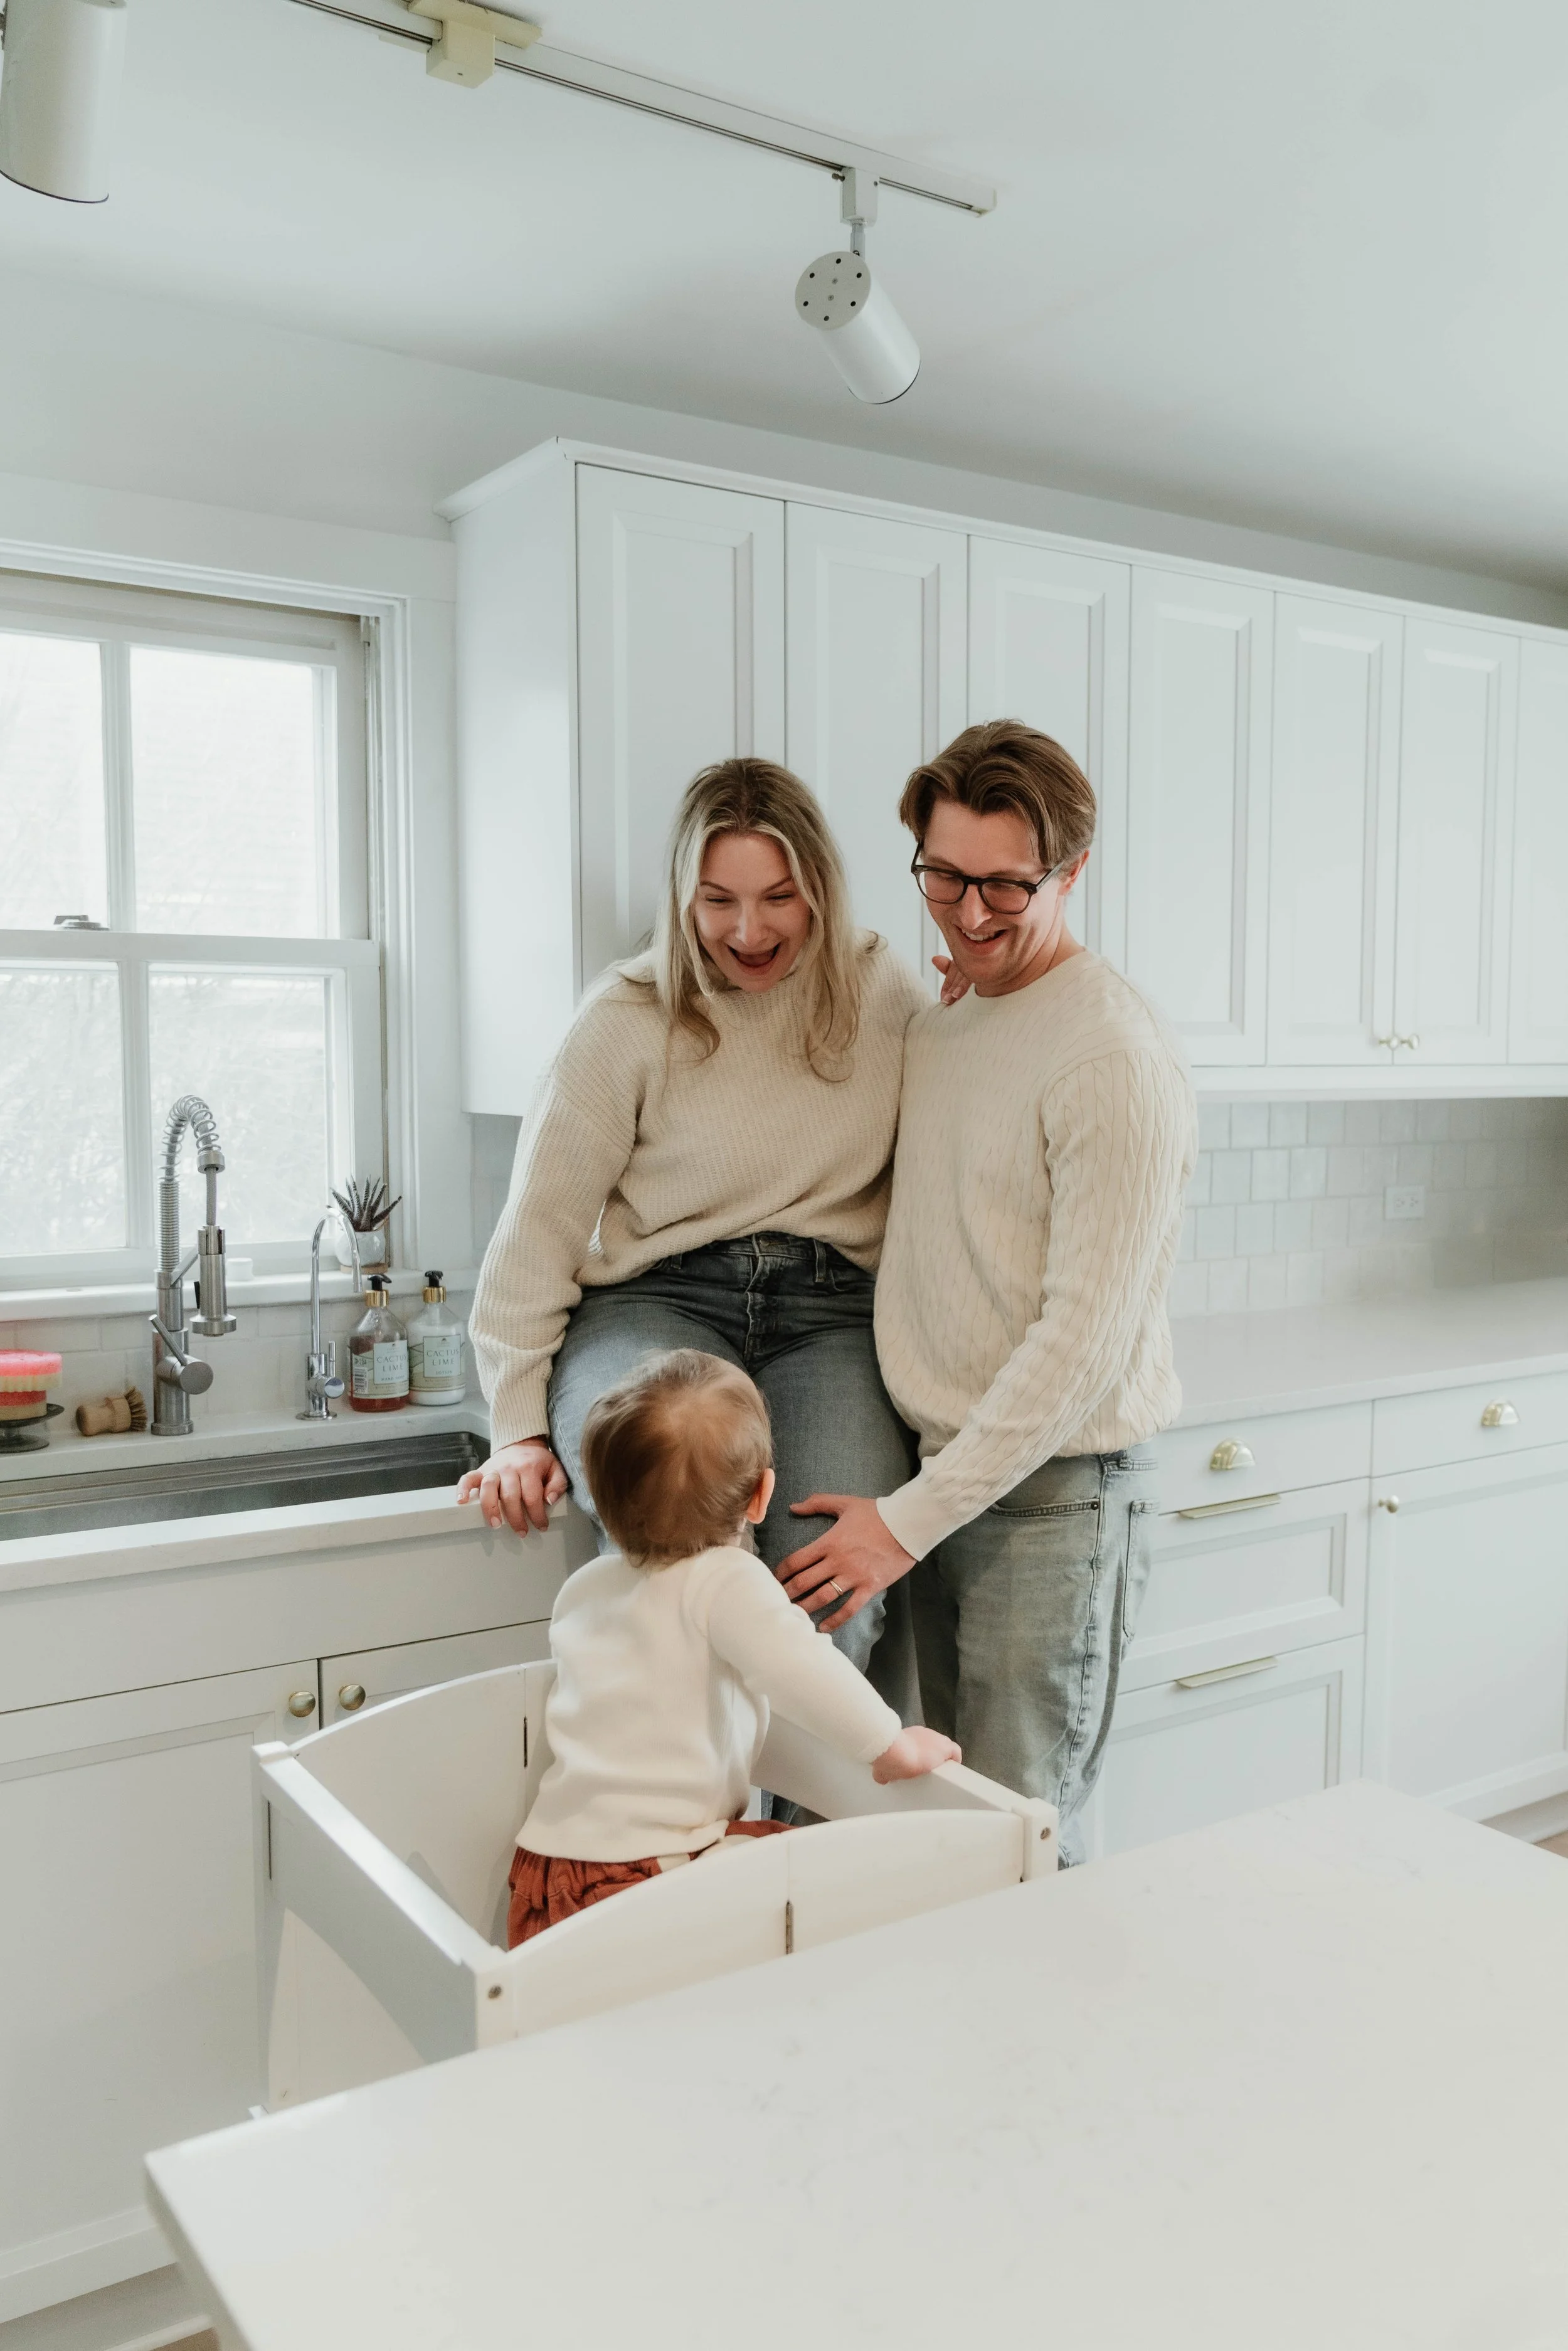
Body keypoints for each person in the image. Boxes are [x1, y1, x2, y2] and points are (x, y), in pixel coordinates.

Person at [776, 719, 1197, 1864]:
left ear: (1073, 870)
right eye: (945, 876)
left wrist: (901, 1527)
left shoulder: (1111, 1056)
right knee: (953, 1846)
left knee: (1021, 1851)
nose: (969, 915)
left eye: (1007, 885)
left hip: (1052, 1503)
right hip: (946, 1485)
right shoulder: (952, 1014)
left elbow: (1080, 1350)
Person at [460, 758, 926, 1687]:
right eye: (718, 900)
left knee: (830, 1592)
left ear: (821, 893)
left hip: (830, 1313)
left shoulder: (882, 993)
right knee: (674, 1554)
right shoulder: (625, 1017)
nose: (748, 932)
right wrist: (514, 1425)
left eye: (779, 898)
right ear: (684, 895)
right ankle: (681, 1820)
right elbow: (539, 1228)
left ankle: (797, 1836)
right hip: (656, 1302)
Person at [507, 1350, 959, 1946]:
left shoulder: (585, 1587)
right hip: (646, 1879)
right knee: (835, 1891)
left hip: (543, 1877)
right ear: (761, 1495)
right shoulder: (727, 1577)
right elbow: (801, 1666)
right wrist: (889, 1744)